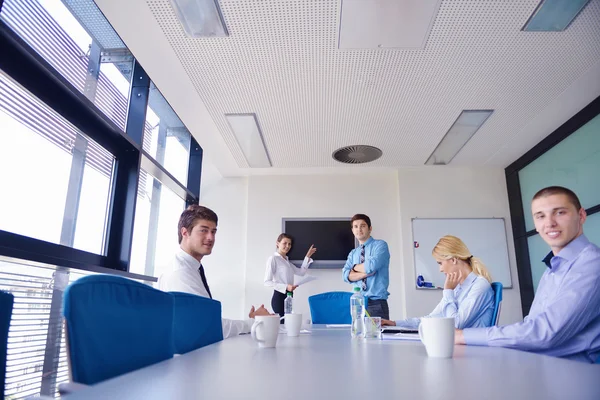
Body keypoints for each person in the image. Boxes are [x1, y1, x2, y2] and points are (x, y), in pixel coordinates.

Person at [455, 186, 600, 363]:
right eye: (540, 216)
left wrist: (462, 336)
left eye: (560, 213)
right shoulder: (553, 267)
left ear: (582, 216)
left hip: (573, 374)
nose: (549, 223)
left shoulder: (591, 263)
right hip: (539, 363)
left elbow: (544, 333)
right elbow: (531, 324)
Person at [158, 204, 271, 339]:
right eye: (203, 230)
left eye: (213, 231)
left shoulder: (190, 268)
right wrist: (254, 322)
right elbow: (209, 326)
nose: (211, 237)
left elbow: (206, 320)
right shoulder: (181, 273)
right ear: (185, 232)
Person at [381, 235, 494, 329]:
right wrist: (395, 323)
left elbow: (455, 325)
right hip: (456, 346)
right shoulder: (457, 288)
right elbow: (431, 319)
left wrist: (448, 291)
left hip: (472, 351)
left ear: (453, 259)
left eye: (440, 263)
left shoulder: (480, 286)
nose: (440, 269)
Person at [342, 214, 391, 319]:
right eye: (355, 226)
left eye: (363, 226)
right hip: (357, 303)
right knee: (356, 334)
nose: (359, 229)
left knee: (377, 335)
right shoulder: (353, 253)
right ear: (352, 230)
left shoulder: (380, 245)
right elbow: (345, 275)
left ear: (370, 228)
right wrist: (363, 274)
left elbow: (371, 266)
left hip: (376, 303)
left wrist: (354, 268)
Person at [264, 233, 317, 320]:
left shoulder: (287, 262)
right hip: (279, 297)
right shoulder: (273, 259)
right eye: (285, 243)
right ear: (277, 243)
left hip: (289, 296)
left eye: (289, 244)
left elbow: (301, 272)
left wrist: (307, 256)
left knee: (287, 323)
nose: (287, 246)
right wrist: (286, 287)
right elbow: (267, 282)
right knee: (282, 324)